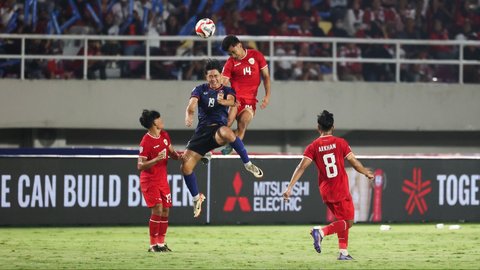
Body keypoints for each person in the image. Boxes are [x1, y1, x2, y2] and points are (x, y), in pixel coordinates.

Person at [282, 110, 374, 260]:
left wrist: (289, 187)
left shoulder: (313, 146)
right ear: (333, 126)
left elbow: (301, 167)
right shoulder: (341, 143)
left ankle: (343, 253)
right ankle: (321, 232)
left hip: (326, 191)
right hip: (340, 189)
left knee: (342, 220)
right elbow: (354, 163)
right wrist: (366, 172)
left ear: (318, 128)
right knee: (348, 222)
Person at [181, 59, 264, 218]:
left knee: (227, 132)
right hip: (201, 132)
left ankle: (247, 164)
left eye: (216, 76)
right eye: (210, 76)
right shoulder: (199, 89)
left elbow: (232, 102)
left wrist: (222, 101)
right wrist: (188, 115)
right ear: (206, 77)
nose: (213, 79)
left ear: (221, 75)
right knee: (185, 167)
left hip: (217, 130)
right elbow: (191, 105)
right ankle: (197, 198)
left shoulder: (227, 90)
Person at [137, 109, 182, 253]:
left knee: (166, 210)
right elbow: (140, 165)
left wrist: (181, 156)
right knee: (158, 208)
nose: (161, 120)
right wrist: (156, 159)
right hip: (149, 180)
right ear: (153, 122)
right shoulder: (146, 141)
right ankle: (153, 245)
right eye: (158, 118)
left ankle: (161, 244)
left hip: (162, 179)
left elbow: (172, 153)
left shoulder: (164, 135)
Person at [219, 35, 271, 155]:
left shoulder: (257, 56)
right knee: (227, 123)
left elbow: (266, 77)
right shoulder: (230, 62)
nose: (232, 55)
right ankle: (208, 146)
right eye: (229, 54)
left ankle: (231, 146)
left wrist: (267, 96)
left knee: (243, 122)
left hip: (250, 101)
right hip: (235, 100)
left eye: (233, 52)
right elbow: (224, 81)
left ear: (239, 45)